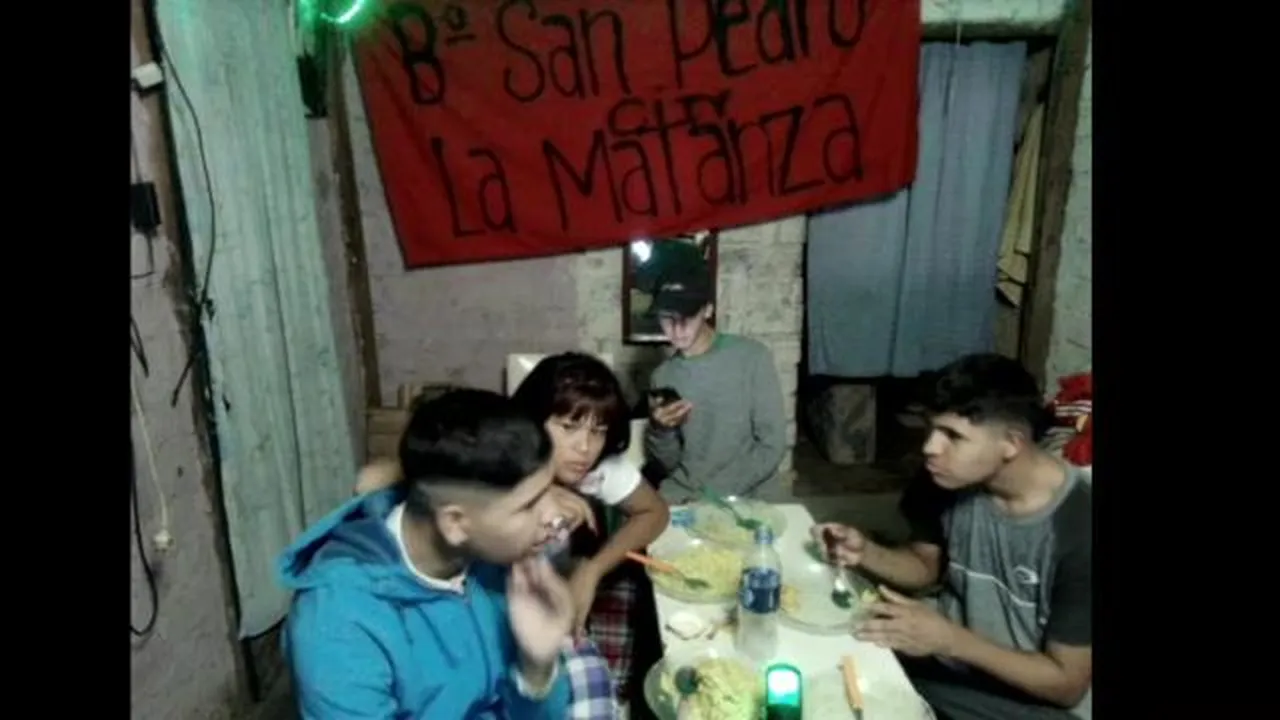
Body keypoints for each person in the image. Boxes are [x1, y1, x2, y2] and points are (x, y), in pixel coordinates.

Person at [813, 354, 1092, 720]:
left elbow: (1067, 684)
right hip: (945, 667)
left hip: (1026, 703)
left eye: (953, 435)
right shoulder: (945, 476)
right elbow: (924, 567)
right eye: (931, 428)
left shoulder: (1079, 528)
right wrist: (866, 552)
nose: (930, 447)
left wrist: (950, 640)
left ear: (1011, 443)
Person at [277, 388, 575, 719]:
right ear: (455, 523)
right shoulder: (337, 623)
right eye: (529, 505)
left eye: (550, 490)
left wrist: (537, 668)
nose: (554, 515)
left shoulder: (503, 563)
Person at [511, 352, 671, 699]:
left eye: (598, 431)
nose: (584, 447)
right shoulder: (499, 458)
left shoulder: (598, 468)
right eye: (568, 427)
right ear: (534, 420)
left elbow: (654, 512)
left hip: (559, 589)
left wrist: (593, 570)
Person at [642, 254, 788, 502]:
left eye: (687, 317)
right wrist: (661, 431)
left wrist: (715, 495)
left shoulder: (752, 357)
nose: (676, 329)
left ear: (708, 310)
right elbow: (669, 463)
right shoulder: (663, 376)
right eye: (667, 318)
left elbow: (772, 445)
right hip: (686, 493)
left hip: (749, 492)